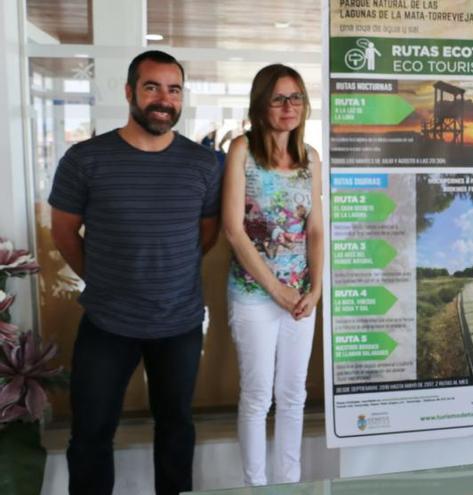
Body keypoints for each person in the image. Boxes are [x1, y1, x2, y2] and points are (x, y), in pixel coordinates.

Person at [49, 50, 222, 495]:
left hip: (179, 323)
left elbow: (205, 236)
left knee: (176, 430)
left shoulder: (203, 165)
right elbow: (65, 232)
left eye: (174, 89)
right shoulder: (85, 159)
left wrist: (167, 271)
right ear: (130, 92)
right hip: (108, 323)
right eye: (152, 87)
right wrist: (105, 277)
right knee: (90, 434)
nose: (164, 99)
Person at [222, 64, 323, 485]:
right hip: (254, 293)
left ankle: (289, 484)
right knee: (258, 396)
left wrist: (315, 287)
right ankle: (256, 486)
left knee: (293, 395)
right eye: (279, 98)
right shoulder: (242, 150)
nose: (289, 106)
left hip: (300, 297)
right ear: (261, 104)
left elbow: (315, 228)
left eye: (296, 97)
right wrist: (274, 288)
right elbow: (233, 228)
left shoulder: (310, 158)